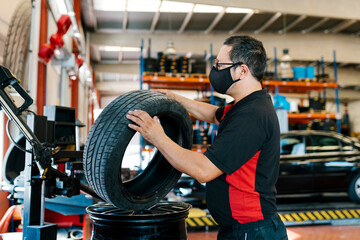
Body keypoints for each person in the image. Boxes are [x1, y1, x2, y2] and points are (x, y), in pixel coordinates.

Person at [126, 35, 288, 240]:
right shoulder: (246, 106)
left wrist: (156, 136)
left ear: (242, 70)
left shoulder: (252, 116)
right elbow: (213, 114)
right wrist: (175, 99)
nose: (215, 70)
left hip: (251, 231)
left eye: (220, 65)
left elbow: (203, 170)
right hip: (242, 229)